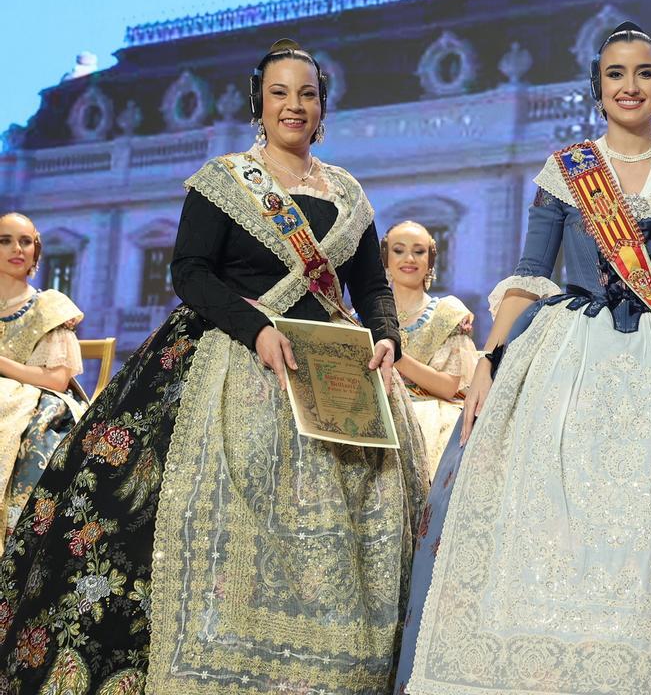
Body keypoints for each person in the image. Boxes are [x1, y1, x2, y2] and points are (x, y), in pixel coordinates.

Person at [0, 39, 427, 694]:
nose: (294, 105)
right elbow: (189, 272)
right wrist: (254, 327)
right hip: (231, 354)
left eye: (307, 94)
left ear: (322, 107)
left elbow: (369, 284)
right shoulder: (226, 179)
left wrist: (388, 335)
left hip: (332, 367)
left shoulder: (348, 192)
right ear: (259, 102)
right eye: (280, 92)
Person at [396, 22, 651, 694]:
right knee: (545, 526)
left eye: (644, 73)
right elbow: (530, 272)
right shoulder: (566, 171)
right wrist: (488, 360)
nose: (631, 86)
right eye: (616, 74)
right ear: (597, 88)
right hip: (564, 358)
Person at [0, 213, 86, 548]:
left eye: (25, 241)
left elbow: (58, 379)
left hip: (37, 401)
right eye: (5, 240)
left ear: (36, 251)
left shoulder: (49, 307)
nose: (16, 248)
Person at [382, 220, 477, 472]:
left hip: (431, 415)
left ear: (430, 260)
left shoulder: (448, 313)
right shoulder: (362, 317)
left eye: (419, 251)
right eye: (399, 250)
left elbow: (448, 386)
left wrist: (395, 355)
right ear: (385, 259)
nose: (409, 258)